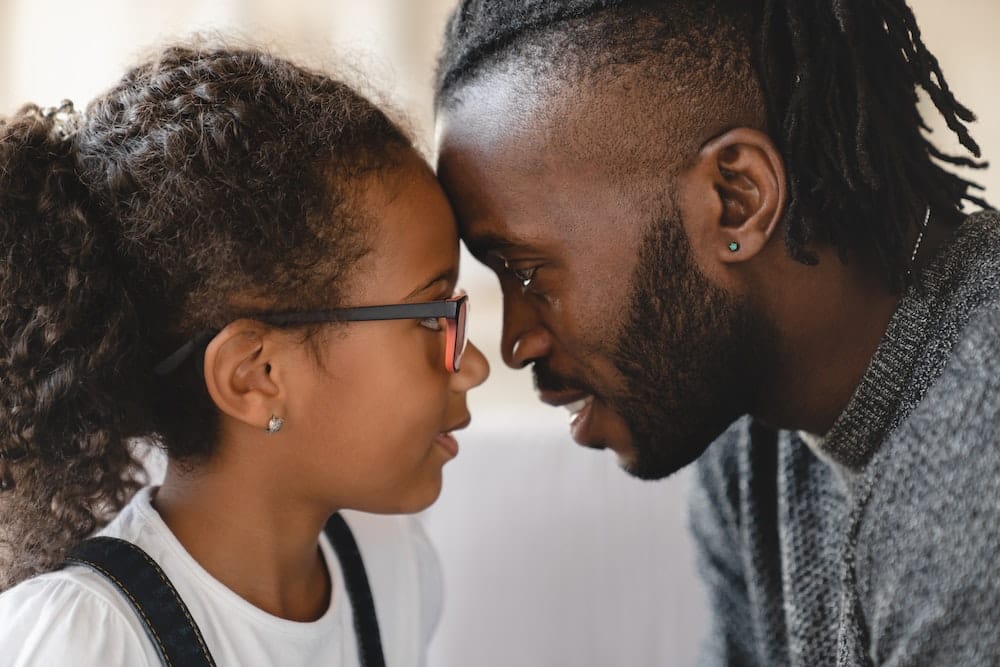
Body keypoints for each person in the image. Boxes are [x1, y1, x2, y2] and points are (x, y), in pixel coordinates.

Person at [433, 1, 999, 665]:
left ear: (736, 199)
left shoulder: (977, 467)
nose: (514, 342)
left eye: (528, 270)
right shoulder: (747, 425)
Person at [0, 42, 489, 666]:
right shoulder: (83, 644)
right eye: (430, 316)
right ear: (255, 376)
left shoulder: (392, 563)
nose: (472, 364)